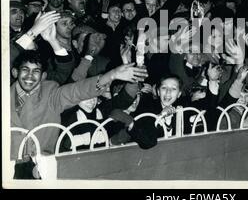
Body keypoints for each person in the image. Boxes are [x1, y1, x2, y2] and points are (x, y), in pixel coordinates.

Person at [10, 49, 148, 159]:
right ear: (15, 72)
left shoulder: (50, 94)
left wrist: (112, 75)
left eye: (36, 71)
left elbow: (77, 91)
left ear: (43, 76)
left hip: (42, 165)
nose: (30, 76)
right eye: (25, 70)